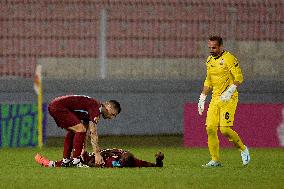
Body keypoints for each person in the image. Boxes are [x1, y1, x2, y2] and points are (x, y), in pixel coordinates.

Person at [197, 36, 250, 167]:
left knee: (225, 130)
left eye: (214, 47)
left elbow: (239, 77)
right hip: (215, 99)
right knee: (210, 128)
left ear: (221, 46)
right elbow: (208, 81)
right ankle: (215, 160)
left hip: (229, 98)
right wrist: (202, 97)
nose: (211, 50)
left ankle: (243, 149)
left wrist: (230, 91)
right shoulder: (209, 60)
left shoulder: (229, 58)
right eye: (209, 47)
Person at [48, 95, 121, 167]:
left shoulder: (93, 107)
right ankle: (76, 161)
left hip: (56, 105)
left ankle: (66, 161)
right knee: (80, 129)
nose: (111, 118)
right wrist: (97, 154)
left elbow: (85, 132)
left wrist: (83, 149)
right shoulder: (96, 109)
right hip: (58, 107)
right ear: (108, 106)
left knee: (76, 130)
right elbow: (93, 133)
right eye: (112, 114)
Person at [34, 149, 164, 168]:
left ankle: (49, 163)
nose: (122, 160)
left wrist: (158, 162)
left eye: (123, 161)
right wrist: (159, 160)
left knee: (76, 159)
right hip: (94, 156)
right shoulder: (121, 154)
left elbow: (94, 164)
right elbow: (153, 165)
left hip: (89, 163)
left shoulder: (120, 164)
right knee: (77, 154)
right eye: (123, 157)